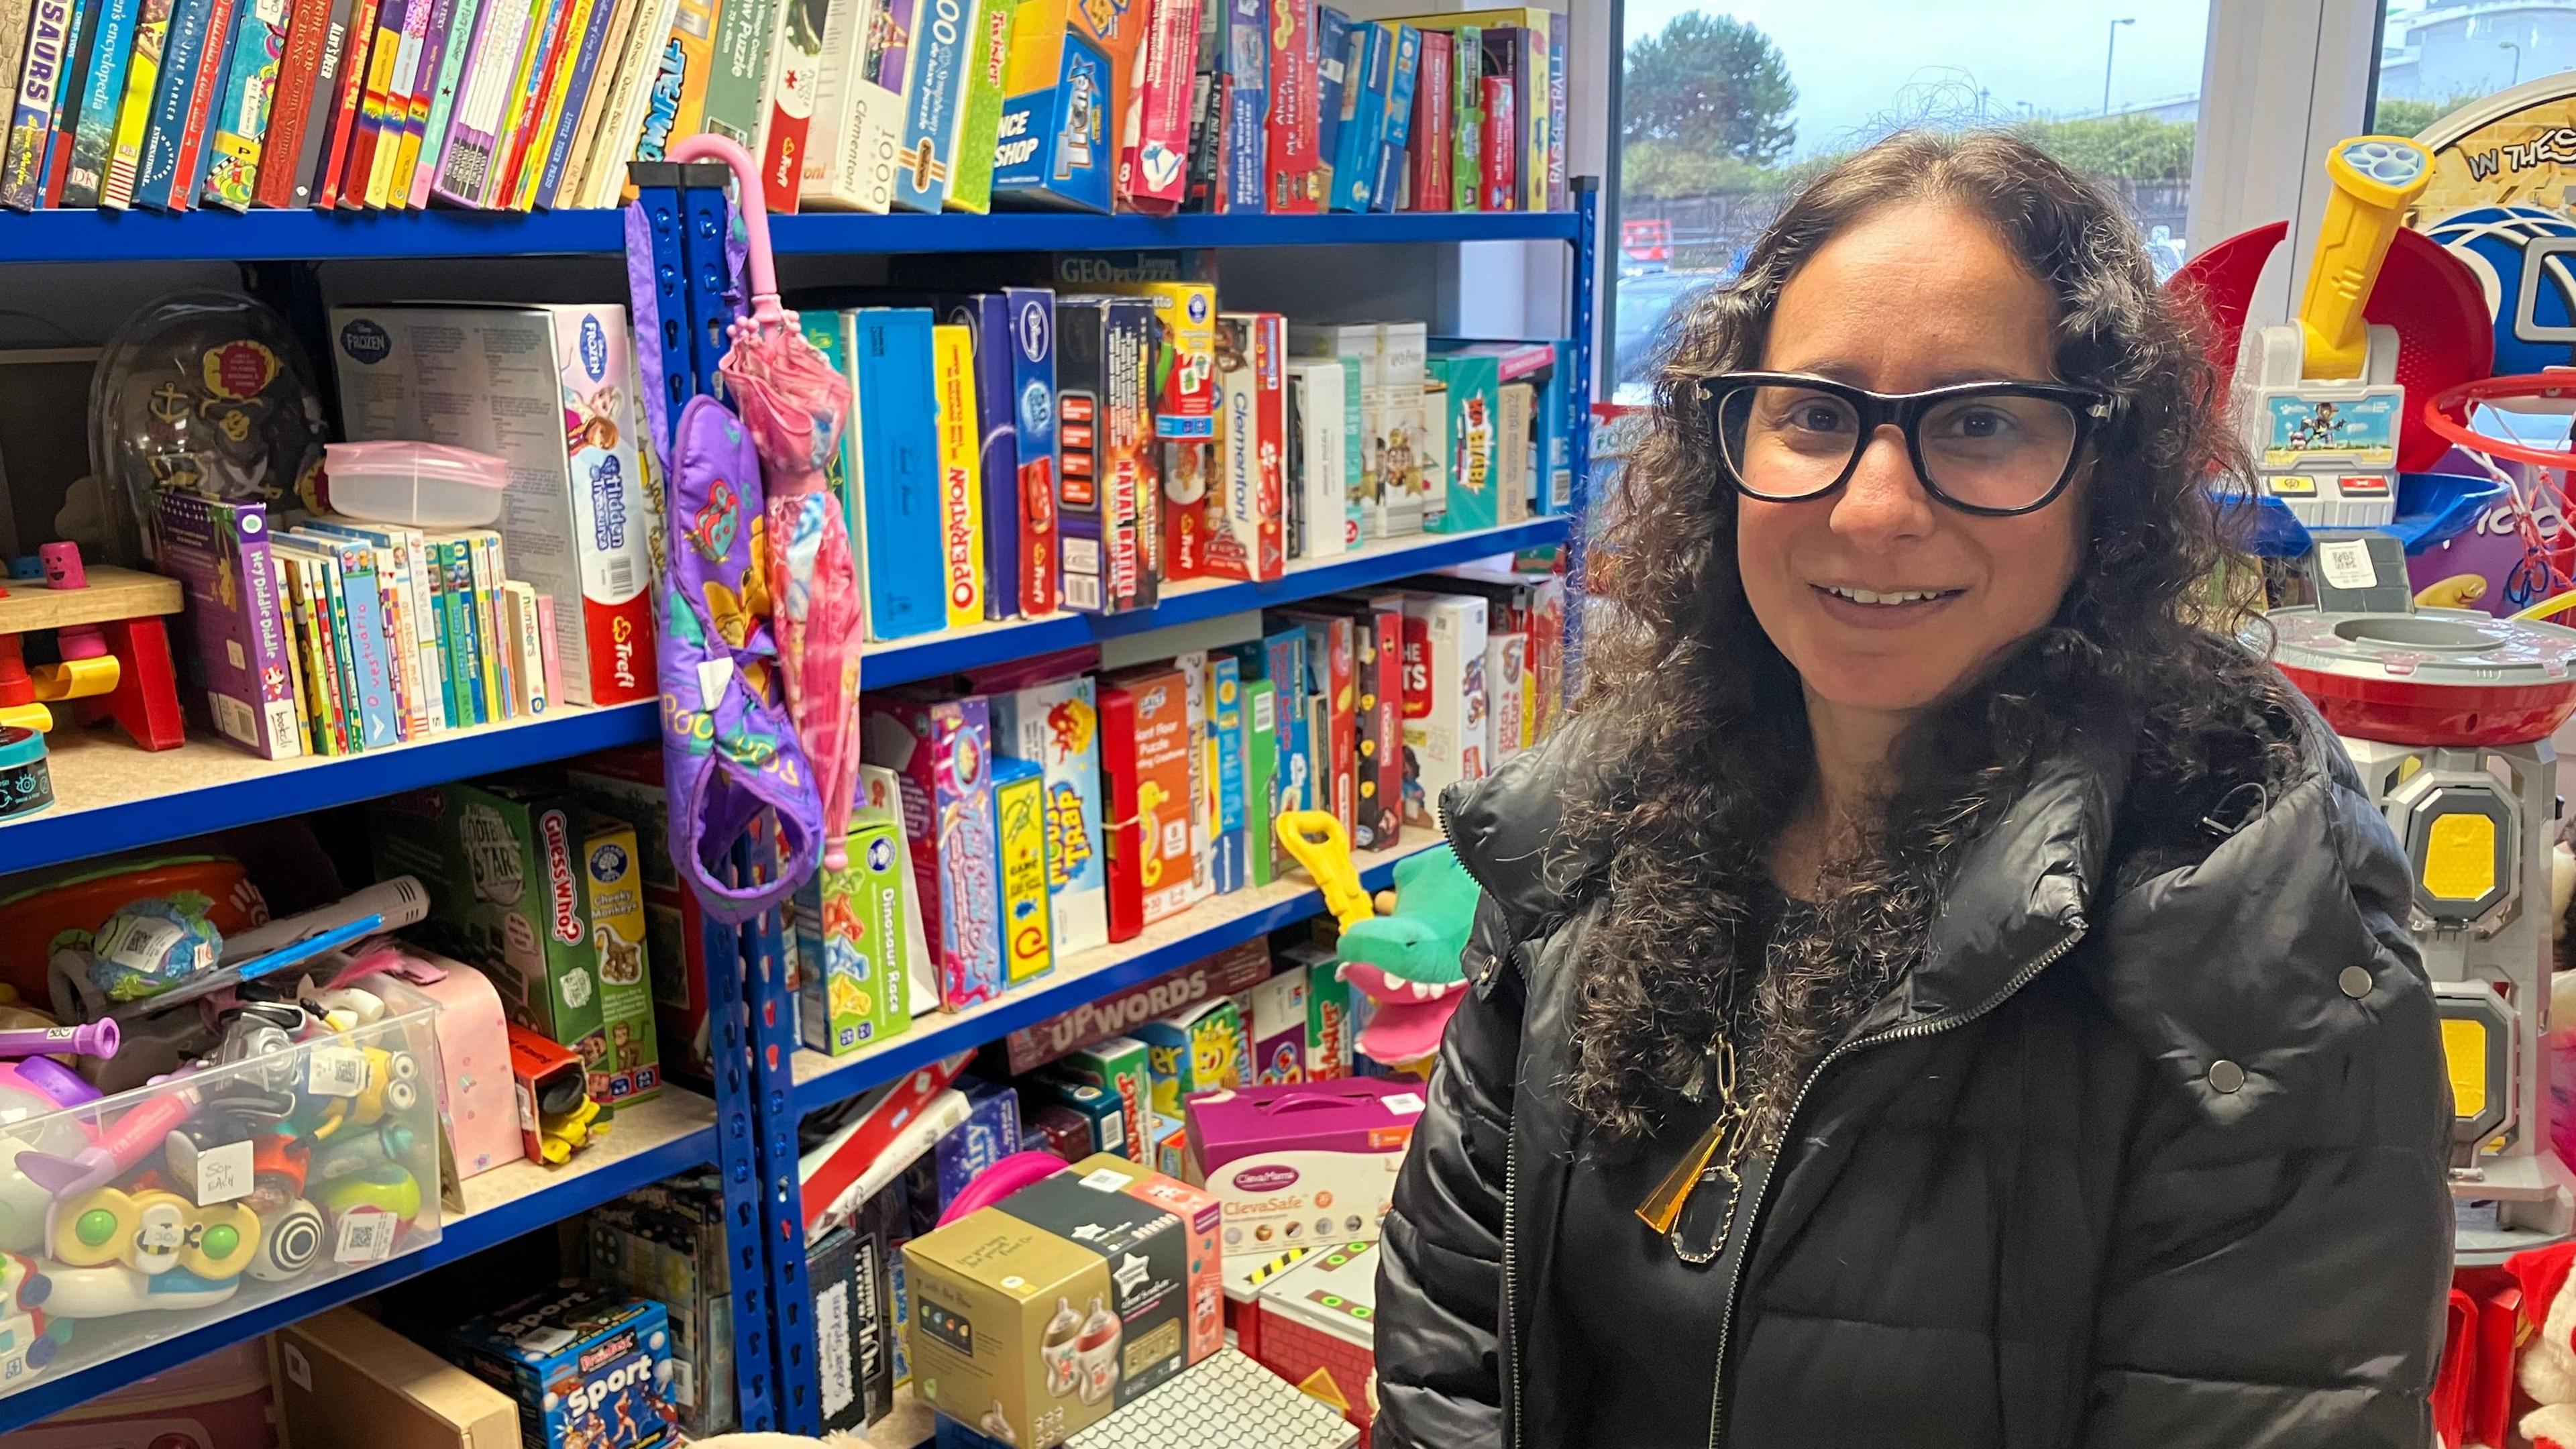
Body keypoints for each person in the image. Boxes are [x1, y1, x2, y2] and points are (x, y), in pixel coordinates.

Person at [1373, 131, 2451, 1449]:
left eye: (1982, 421)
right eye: (1816, 414)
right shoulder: (1599, 817)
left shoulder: (2256, 925)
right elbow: (1453, 1322)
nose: (1875, 508)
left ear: (2102, 481)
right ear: (1732, 449)